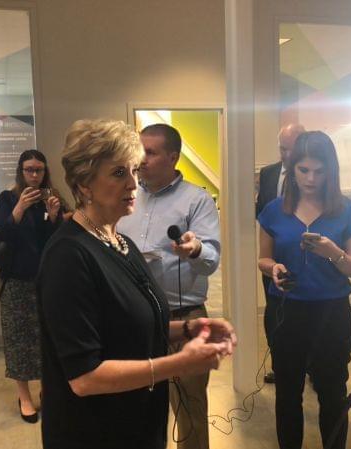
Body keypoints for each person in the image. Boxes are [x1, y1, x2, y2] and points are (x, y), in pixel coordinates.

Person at [37, 119, 236, 449]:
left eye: (132, 169)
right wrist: (179, 363)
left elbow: (131, 323)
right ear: (84, 184)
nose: (133, 182)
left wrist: (188, 329)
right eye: (118, 173)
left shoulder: (120, 242)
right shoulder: (68, 257)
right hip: (95, 431)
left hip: (136, 422)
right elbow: (85, 378)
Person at [257, 131, 351, 449]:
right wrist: (273, 269)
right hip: (286, 312)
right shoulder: (275, 210)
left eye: (319, 171)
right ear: (292, 169)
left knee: (333, 393)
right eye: (304, 170)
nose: (311, 178)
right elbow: (263, 258)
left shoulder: (346, 210)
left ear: (330, 171)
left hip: (331, 313)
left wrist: (334, 252)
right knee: (288, 394)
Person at [118, 123, 221, 449]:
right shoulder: (125, 197)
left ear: (173, 157)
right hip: (133, 316)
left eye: (151, 152)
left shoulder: (197, 200)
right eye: (139, 151)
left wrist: (195, 250)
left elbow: (211, 259)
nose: (142, 159)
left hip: (183, 316)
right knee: (137, 406)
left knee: (189, 407)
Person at [0, 149, 65, 423]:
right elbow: (4, 233)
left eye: (39, 170)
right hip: (16, 280)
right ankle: (24, 395)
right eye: (29, 170)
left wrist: (55, 216)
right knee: (18, 339)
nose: (35, 175)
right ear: (20, 171)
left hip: (48, 280)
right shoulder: (8, 198)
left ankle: (47, 390)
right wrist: (20, 208)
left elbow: (60, 240)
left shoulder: (52, 197)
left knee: (48, 338)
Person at [256, 123, 305, 384]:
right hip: (271, 255)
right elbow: (261, 211)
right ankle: (279, 364)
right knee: (274, 311)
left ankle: (308, 364)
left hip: (304, 253)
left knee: (304, 311)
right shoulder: (268, 173)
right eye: (281, 148)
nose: (284, 154)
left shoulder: (312, 176)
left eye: (290, 148)